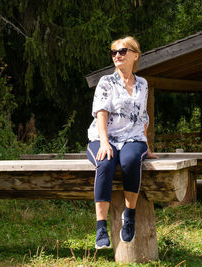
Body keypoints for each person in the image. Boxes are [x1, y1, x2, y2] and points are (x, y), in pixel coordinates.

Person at [86, 36, 158, 250]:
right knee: (106, 162)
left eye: (123, 51)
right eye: (114, 52)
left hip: (133, 138)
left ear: (135, 55)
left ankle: (130, 215)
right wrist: (105, 143)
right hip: (103, 137)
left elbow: (142, 116)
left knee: (130, 159)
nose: (117, 55)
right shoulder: (106, 82)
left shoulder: (142, 84)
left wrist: (148, 145)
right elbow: (101, 113)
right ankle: (101, 228)